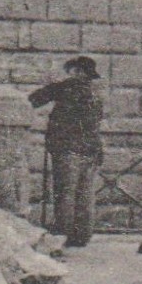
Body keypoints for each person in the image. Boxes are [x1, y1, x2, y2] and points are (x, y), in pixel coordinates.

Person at [28, 55, 104, 249]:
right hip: (91, 150)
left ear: (78, 72)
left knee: (65, 194)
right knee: (85, 194)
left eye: (71, 70)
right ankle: (82, 236)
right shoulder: (95, 95)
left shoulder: (65, 88)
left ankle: (62, 235)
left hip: (68, 149)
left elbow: (34, 99)